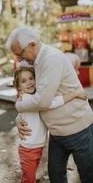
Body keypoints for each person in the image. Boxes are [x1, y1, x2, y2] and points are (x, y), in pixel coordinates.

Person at [6, 27, 93, 183]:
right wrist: (19, 118)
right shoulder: (37, 62)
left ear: (32, 45)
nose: (19, 59)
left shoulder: (51, 59)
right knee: (56, 174)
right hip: (57, 132)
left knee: (88, 175)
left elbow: (42, 102)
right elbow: (34, 97)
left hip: (77, 129)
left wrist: (18, 107)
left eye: (20, 54)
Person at [14, 66, 87, 183]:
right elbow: (51, 103)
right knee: (28, 179)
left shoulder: (34, 98)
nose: (29, 82)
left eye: (31, 78)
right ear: (18, 87)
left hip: (37, 147)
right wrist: (75, 94)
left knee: (31, 176)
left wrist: (17, 118)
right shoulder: (27, 100)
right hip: (28, 150)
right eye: (23, 81)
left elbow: (23, 114)